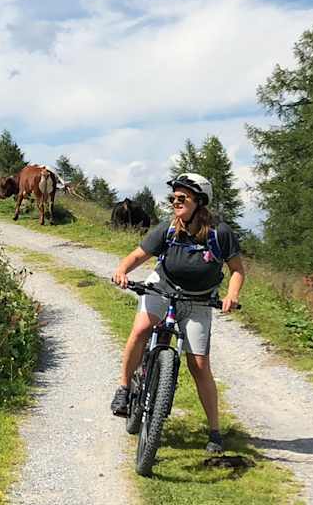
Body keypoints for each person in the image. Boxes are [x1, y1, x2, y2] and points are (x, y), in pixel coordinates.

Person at [108, 173, 244, 454]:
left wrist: (232, 295)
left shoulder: (220, 233)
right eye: (173, 197)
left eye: (182, 197)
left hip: (199, 300)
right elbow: (139, 255)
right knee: (141, 330)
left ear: (199, 201)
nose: (175, 202)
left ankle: (215, 432)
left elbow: (237, 270)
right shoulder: (168, 228)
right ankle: (124, 388)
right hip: (162, 287)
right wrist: (122, 270)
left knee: (199, 365)